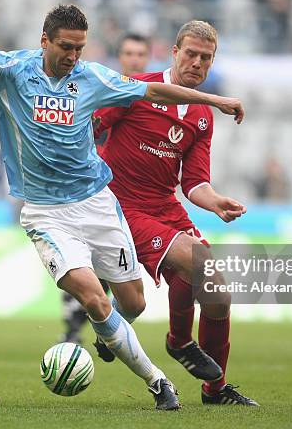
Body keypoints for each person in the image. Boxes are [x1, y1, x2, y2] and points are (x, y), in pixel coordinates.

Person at [0, 0, 244, 410]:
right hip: (51, 211)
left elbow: (163, 109)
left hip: (97, 203)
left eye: (79, 48)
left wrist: (215, 101)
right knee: (105, 296)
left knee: (137, 301)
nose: (73, 56)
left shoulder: (93, 78)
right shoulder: (12, 70)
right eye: (65, 47)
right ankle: (160, 380)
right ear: (45, 41)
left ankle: (123, 335)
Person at [92, 21, 258, 406]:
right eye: (191, 54)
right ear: (174, 52)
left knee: (217, 293)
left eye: (206, 58)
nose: (197, 63)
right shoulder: (137, 88)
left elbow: (194, 183)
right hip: (122, 207)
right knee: (196, 261)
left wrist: (216, 201)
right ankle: (179, 342)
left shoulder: (201, 114)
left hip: (166, 206)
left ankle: (215, 390)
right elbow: (91, 125)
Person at [60, 33, 151, 345]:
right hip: (94, 192)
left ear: (147, 58)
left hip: (131, 200)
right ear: (120, 57)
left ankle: (100, 327)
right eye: (128, 53)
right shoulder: (106, 92)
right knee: (83, 262)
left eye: (140, 54)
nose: (135, 59)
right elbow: (86, 127)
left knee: (115, 274)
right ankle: (73, 329)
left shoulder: (147, 98)